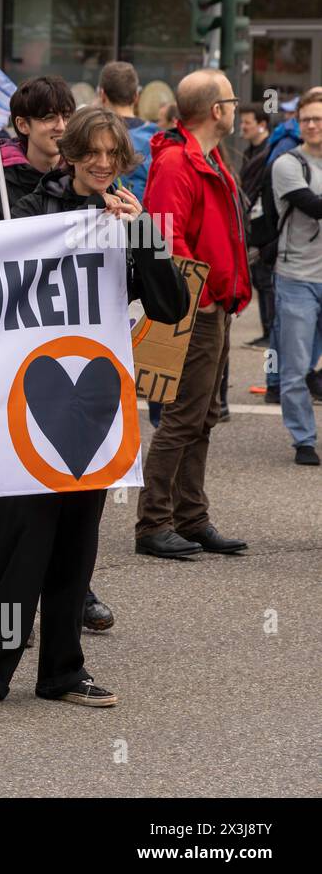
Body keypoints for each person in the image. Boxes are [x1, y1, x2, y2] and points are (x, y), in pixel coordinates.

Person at [0, 107, 189, 711]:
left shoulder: (128, 219)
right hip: (27, 396)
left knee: (76, 546)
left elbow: (169, 306)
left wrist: (143, 236)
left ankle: (62, 670)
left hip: (93, 403)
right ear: (72, 152)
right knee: (19, 543)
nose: (102, 163)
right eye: (92, 152)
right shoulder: (30, 209)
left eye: (113, 155)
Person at [134, 69, 250, 559]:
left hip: (214, 305)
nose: (237, 108)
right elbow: (161, 234)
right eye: (231, 99)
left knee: (203, 416)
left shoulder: (206, 157)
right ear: (217, 110)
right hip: (196, 308)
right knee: (183, 417)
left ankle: (191, 517)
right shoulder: (179, 162)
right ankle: (153, 523)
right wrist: (196, 297)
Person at [270, 88, 322, 466]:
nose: (313, 124)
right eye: (306, 119)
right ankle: (304, 440)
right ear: (297, 122)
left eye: (319, 118)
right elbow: (314, 207)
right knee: (295, 368)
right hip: (296, 278)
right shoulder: (287, 164)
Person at [0, 75, 76, 225]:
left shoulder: (82, 177)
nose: (61, 126)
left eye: (67, 116)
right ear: (22, 125)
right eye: (49, 117)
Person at [239, 105, 275, 348]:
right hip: (254, 227)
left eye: (247, 123)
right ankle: (267, 331)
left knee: (265, 281)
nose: (242, 127)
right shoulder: (250, 151)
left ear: (262, 124)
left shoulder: (268, 152)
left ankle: (270, 333)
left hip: (265, 229)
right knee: (260, 280)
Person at [98, 62, 159, 200]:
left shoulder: (91, 137)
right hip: (147, 218)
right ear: (136, 97)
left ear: (102, 95)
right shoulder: (158, 139)